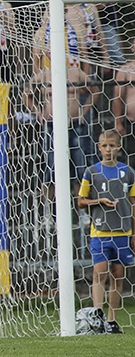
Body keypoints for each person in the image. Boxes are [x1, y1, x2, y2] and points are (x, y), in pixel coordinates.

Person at [77, 129, 135, 334]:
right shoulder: (91, 172)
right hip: (100, 232)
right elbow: (81, 201)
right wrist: (99, 201)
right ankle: (97, 317)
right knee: (99, 273)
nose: (108, 149)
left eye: (112, 145)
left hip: (123, 232)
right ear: (98, 147)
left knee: (118, 276)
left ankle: (111, 320)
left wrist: (133, 232)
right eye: (104, 145)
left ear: (119, 147)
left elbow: (132, 203)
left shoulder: (128, 172)